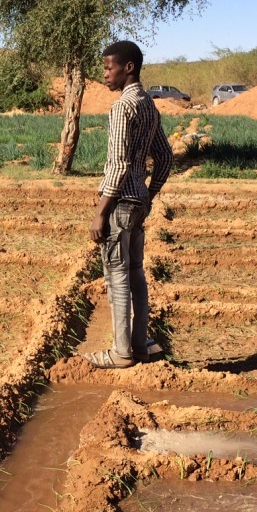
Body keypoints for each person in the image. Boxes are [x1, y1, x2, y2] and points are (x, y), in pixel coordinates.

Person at [83, 40, 174, 369]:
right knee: (135, 273)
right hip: (137, 202)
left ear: (129, 68)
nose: (105, 74)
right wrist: (149, 194)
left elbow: (119, 166)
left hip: (120, 203)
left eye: (109, 68)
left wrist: (100, 212)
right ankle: (138, 344)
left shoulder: (122, 107)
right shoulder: (149, 104)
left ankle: (121, 353)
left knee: (116, 276)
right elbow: (164, 157)